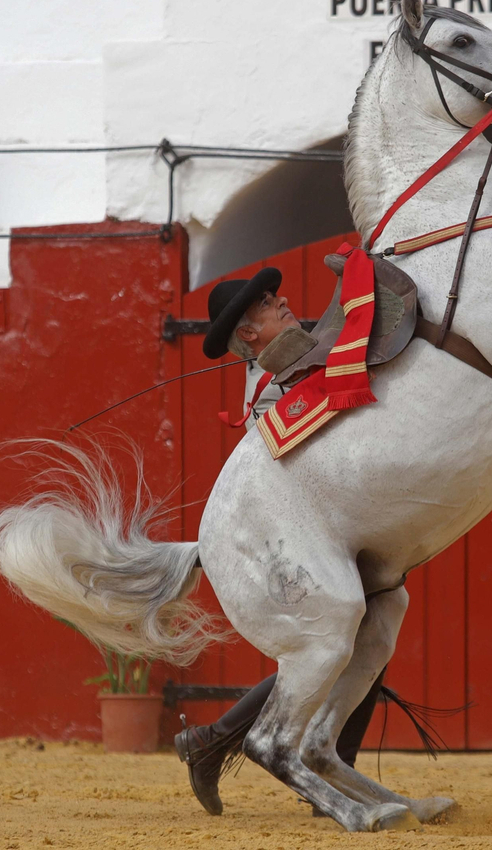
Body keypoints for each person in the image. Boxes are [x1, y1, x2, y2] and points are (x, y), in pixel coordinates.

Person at [175, 267, 386, 816]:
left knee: (359, 645)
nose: (285, 300)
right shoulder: (273, 389)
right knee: (332, 648)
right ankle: (218, 742)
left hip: (326, 526)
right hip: (296, 537)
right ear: (248, 333)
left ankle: (217, 741)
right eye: (270, 303)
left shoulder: (288, 366)